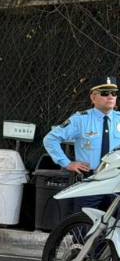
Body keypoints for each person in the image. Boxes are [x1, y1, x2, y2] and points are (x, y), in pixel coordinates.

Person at [43, 76, 120, 213]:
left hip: (115, 181)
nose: (110, 97)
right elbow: (50, 139)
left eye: (114, 93)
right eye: (105, 93)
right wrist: (67, 163)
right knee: (83, 221)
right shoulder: (80, 120)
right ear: (93, 97)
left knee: (115, 223)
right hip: (90, 181)